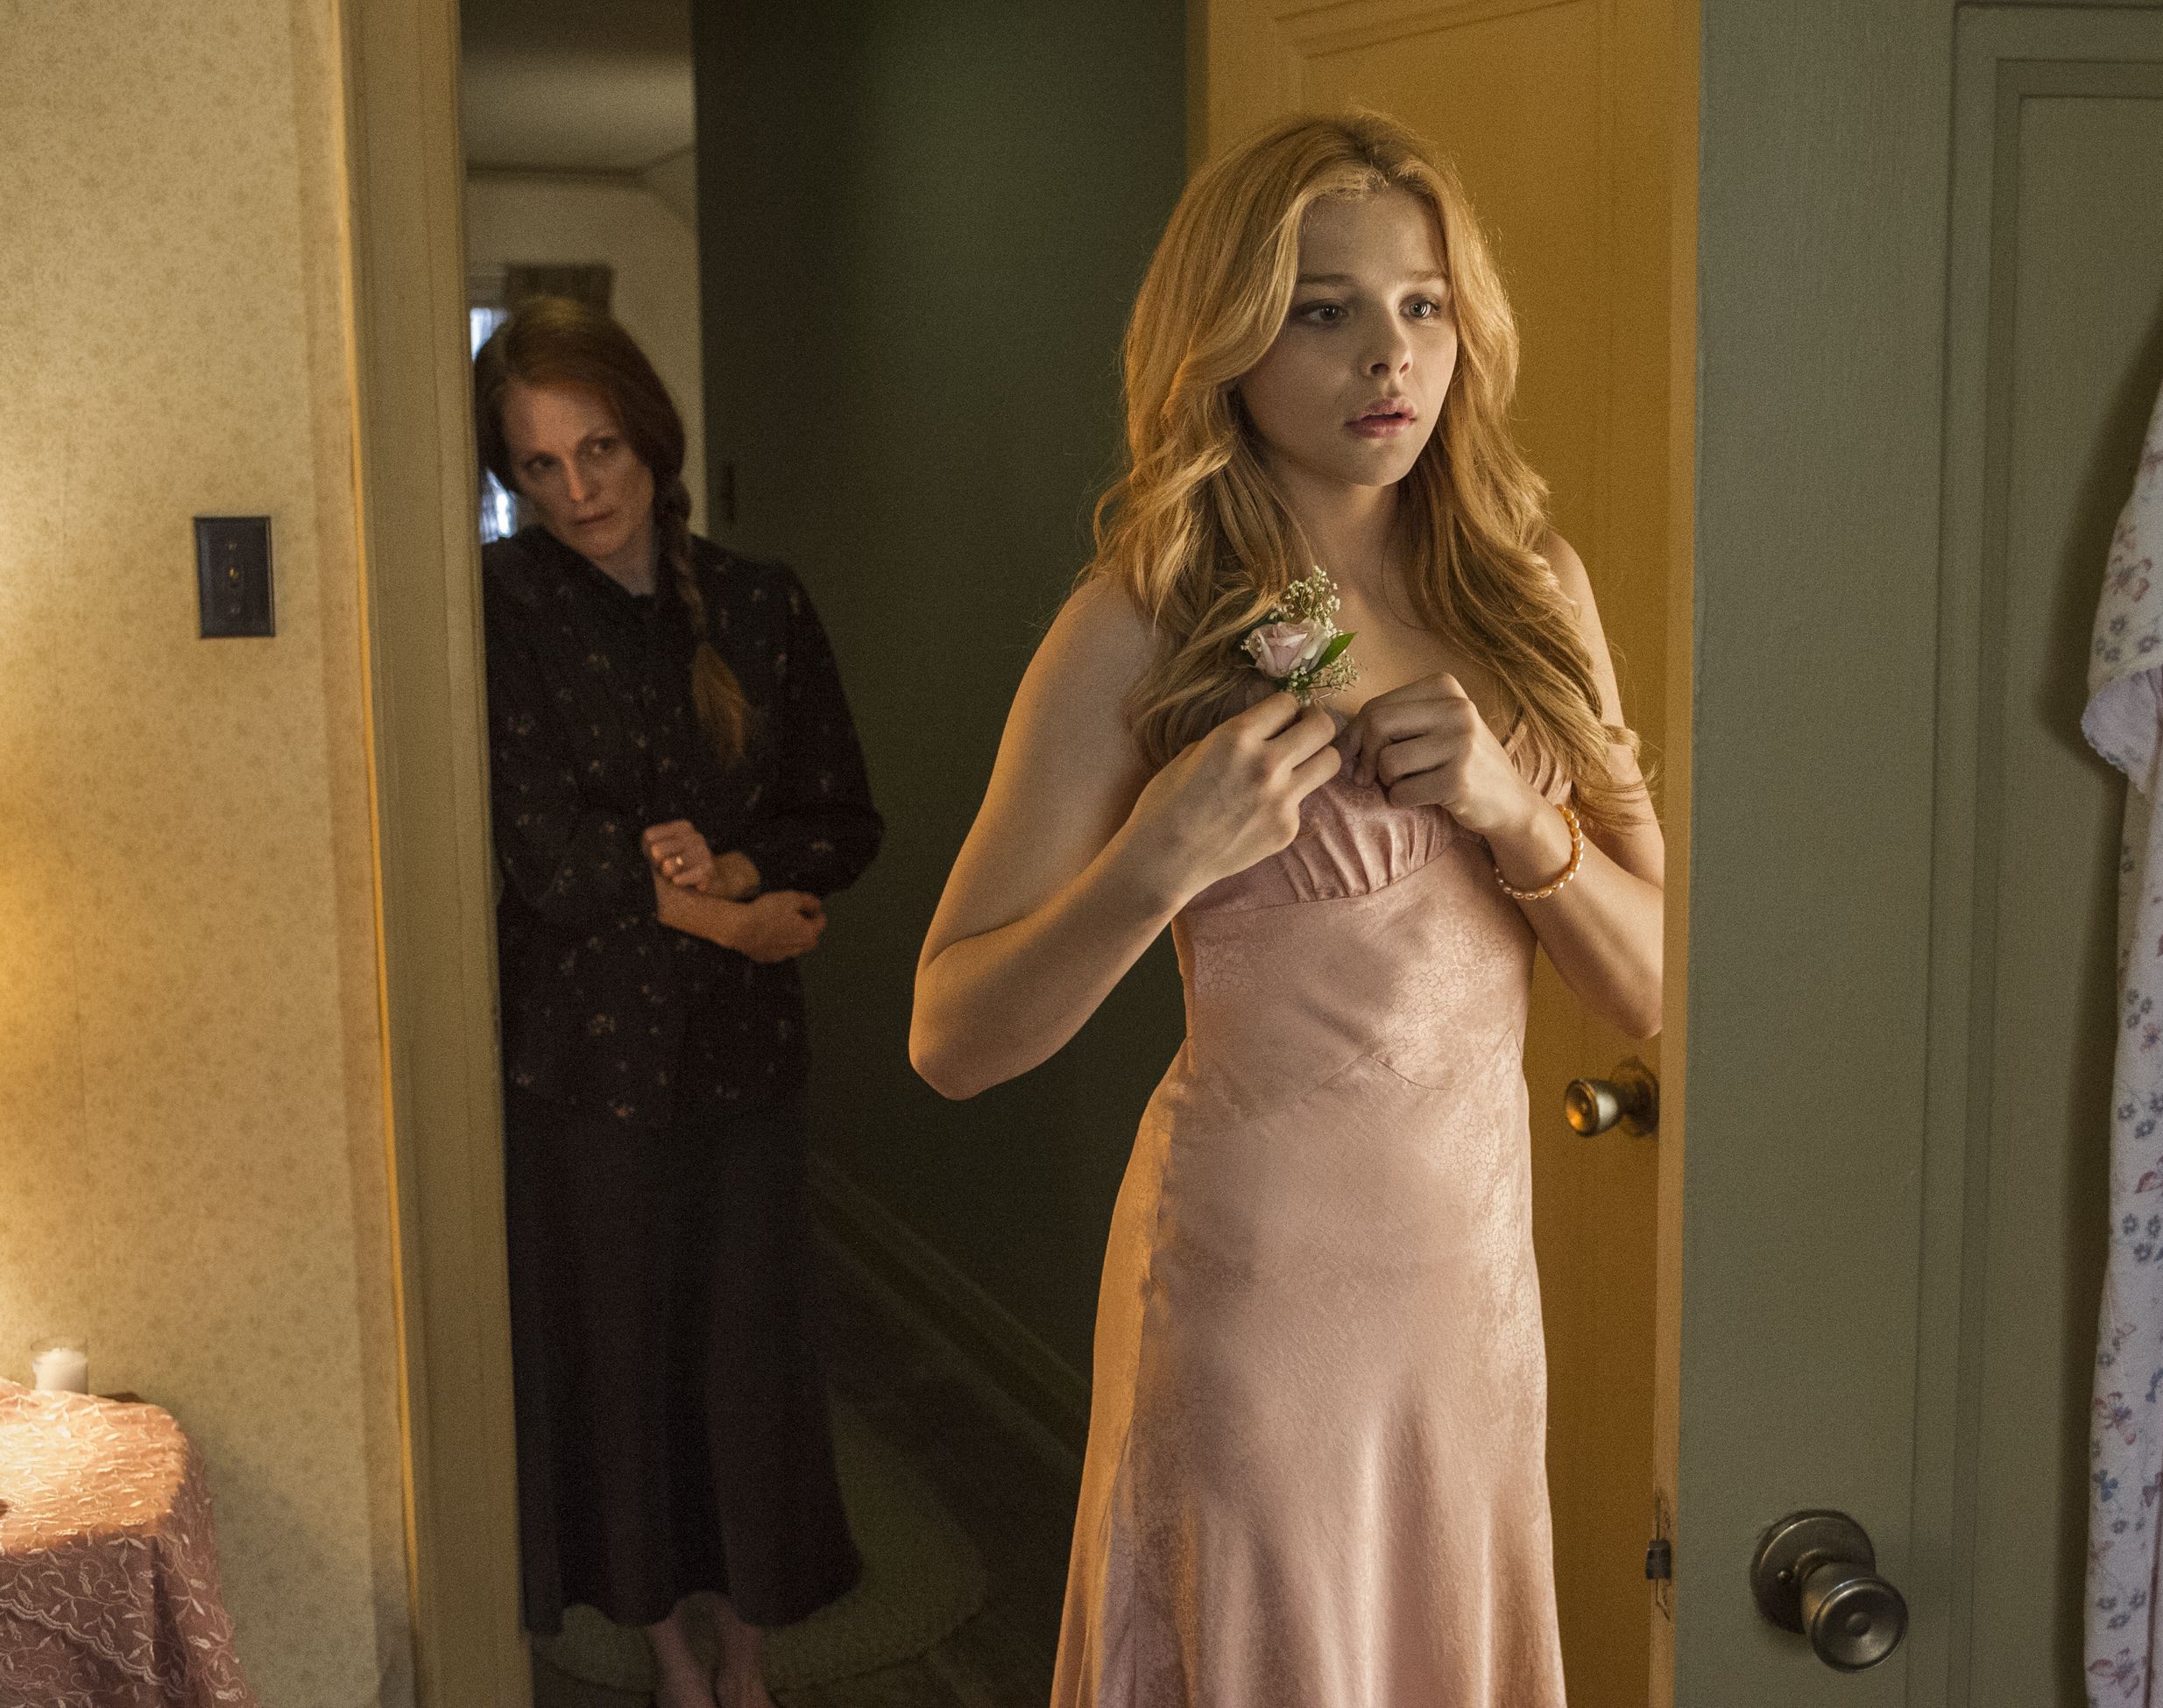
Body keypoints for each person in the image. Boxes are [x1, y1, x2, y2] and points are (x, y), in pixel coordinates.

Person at [910, 112, 1665, 1705]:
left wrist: (1515, 811)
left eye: (1422, 304)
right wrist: (1155, 863)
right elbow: (951, 1039)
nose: (1389, 355)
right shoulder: (1143, 620)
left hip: (1471, 1304)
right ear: (1229, 341)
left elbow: (1657, 985)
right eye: (1324, 310)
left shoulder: (1531, 587)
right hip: (1254, 1306)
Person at [474, 297, 880, 1708]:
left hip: (743, 1057)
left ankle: (749, 1651)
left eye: (598, 450)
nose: (578, 491)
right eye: (538, 466)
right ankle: (666, 1653)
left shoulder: (762, 604)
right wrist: (730, 919)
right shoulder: (502, 606)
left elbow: (843, 816)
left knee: (747, 1362)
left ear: (650, 436)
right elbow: (545, 850)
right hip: (584, 1063)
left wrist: (750, 867)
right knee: (620, 1360)